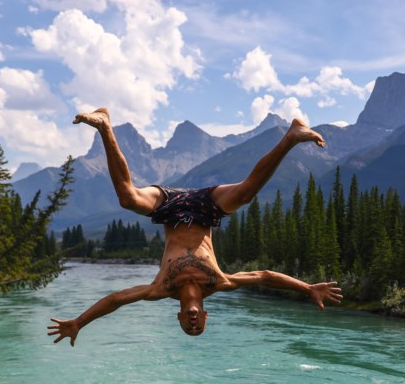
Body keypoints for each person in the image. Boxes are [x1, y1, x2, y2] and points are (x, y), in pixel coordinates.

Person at [48, 107, 343, 346]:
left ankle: (104, 126)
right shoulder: (220, 282)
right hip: (207, 207)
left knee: (128, 198)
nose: (192, 325)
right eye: (198, 327)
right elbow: (264, 275)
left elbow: (116, 299)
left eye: (188, 328)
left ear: (178, 319)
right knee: (245, 194)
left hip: (169, 207)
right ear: (205, 315)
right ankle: (291, 136)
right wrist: (307, 288)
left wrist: (79, 322)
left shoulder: (160, 288)